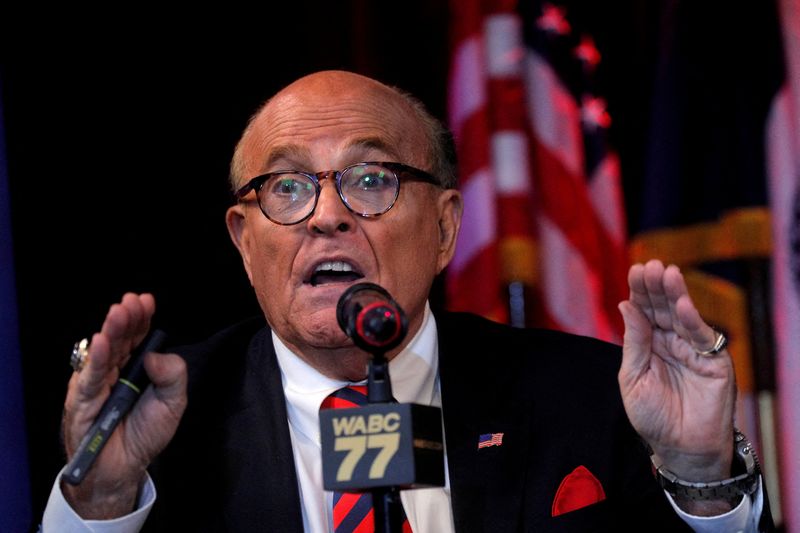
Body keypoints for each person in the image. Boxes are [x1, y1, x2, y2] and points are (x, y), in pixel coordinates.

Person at [42, 71, 770, 532]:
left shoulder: (590, 394)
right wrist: (103, 508)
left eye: (370, 179)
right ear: (242, 240)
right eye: (288, 187)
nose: (328, 216)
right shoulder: (159, 429)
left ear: (446, 227)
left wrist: (701, 476)